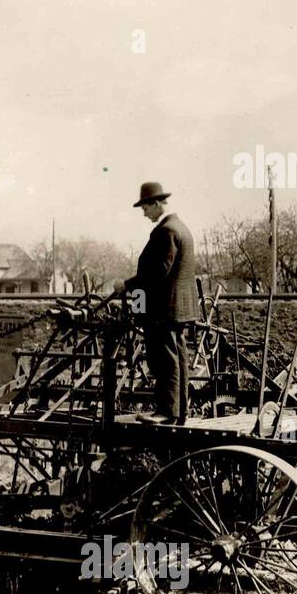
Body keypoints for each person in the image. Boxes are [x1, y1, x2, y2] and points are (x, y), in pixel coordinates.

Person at [113, 182, 199, 424]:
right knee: (178, 360)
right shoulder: (182, 228)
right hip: (177, 309)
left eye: (145, 207)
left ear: (157, 204)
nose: (144, 212)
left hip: (164, 310)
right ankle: (178, 411)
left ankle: (166, 412)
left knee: (164, 361)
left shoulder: (166, 231)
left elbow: (157, 272)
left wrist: (126, 285)